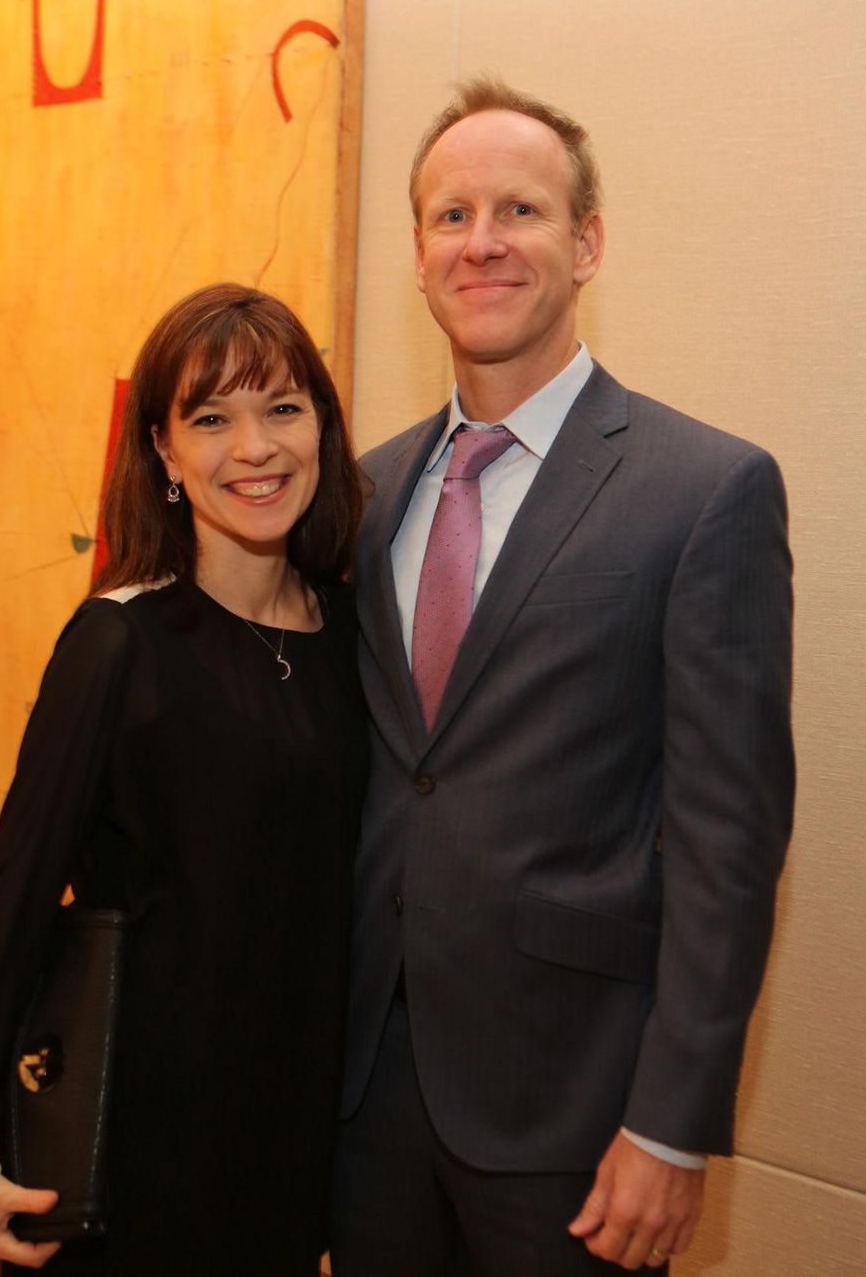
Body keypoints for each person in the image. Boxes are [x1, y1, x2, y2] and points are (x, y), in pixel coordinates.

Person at [330, 77, 794, 1276]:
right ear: (418, 256)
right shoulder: (362, 494)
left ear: (584, 243)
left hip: (577, 1118)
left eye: (519, 210)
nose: (480, 241)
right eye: (449, 215)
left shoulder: (703, 491)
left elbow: (726, 838)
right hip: (363, 1100)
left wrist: (668, 1123)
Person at [0, 284, 368, 1275]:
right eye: (211, 417)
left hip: (291, 1142)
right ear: (162, 451)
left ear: (323, 429)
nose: (254, 447)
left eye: (283, 407)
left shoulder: (349, 633)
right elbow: (20, 891)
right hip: (138, 1141)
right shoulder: (121, 640)